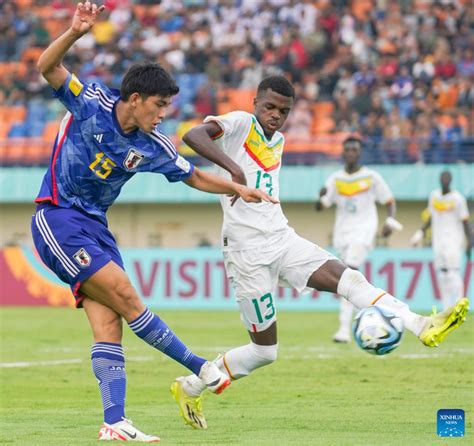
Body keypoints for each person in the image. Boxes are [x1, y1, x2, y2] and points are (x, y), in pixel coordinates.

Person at [30, 3, 277, 442]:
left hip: (96, 230)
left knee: (109, 324)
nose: (163, 114)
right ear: (135, 99)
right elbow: (46, 66)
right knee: (126, 295)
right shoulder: (90, 103)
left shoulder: (152, 145)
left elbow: (193, 175)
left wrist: (235, 187)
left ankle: (114, 423)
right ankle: (199, 366)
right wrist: (74, 33)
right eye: (160, 105)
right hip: (57, 217)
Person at [171, 75, 469, 430]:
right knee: (265, 352)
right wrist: (234, 172)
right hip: (245, 252)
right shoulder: (240, 123)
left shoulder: (278, 140)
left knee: (349, 278)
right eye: (269, 107)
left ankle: (419, 324)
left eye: (283, 110)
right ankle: (190, 386)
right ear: (255, 103)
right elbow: (192, 136)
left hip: (281, 238)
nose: (275, 115)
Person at [315, 136, 402, 343]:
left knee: (348, 274)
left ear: (360, 152)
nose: (351, 153)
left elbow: (389, 200)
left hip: (363, 232)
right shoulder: (335, 179)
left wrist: (390, 221)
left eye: (354, 149)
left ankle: (345, 330)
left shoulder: (371, 177)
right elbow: (321, 207)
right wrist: (320, 197)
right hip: (342, 234)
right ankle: (379, 311)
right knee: (349, 280)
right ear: (343, 152)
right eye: (347, 149)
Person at [411, 171, 471, 309]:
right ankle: (446, 307)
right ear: (439, 180)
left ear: (451, 180)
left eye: (447, 178)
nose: (444, 180)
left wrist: (469, 243)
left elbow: (465, 222)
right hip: (438, 241)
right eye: (442, 178)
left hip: (454, 240)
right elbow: (431, 217)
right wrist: (419, 233)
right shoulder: (434, 196)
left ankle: (459, 304)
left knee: (453, 272)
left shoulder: (458, 199)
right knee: (442, 273)